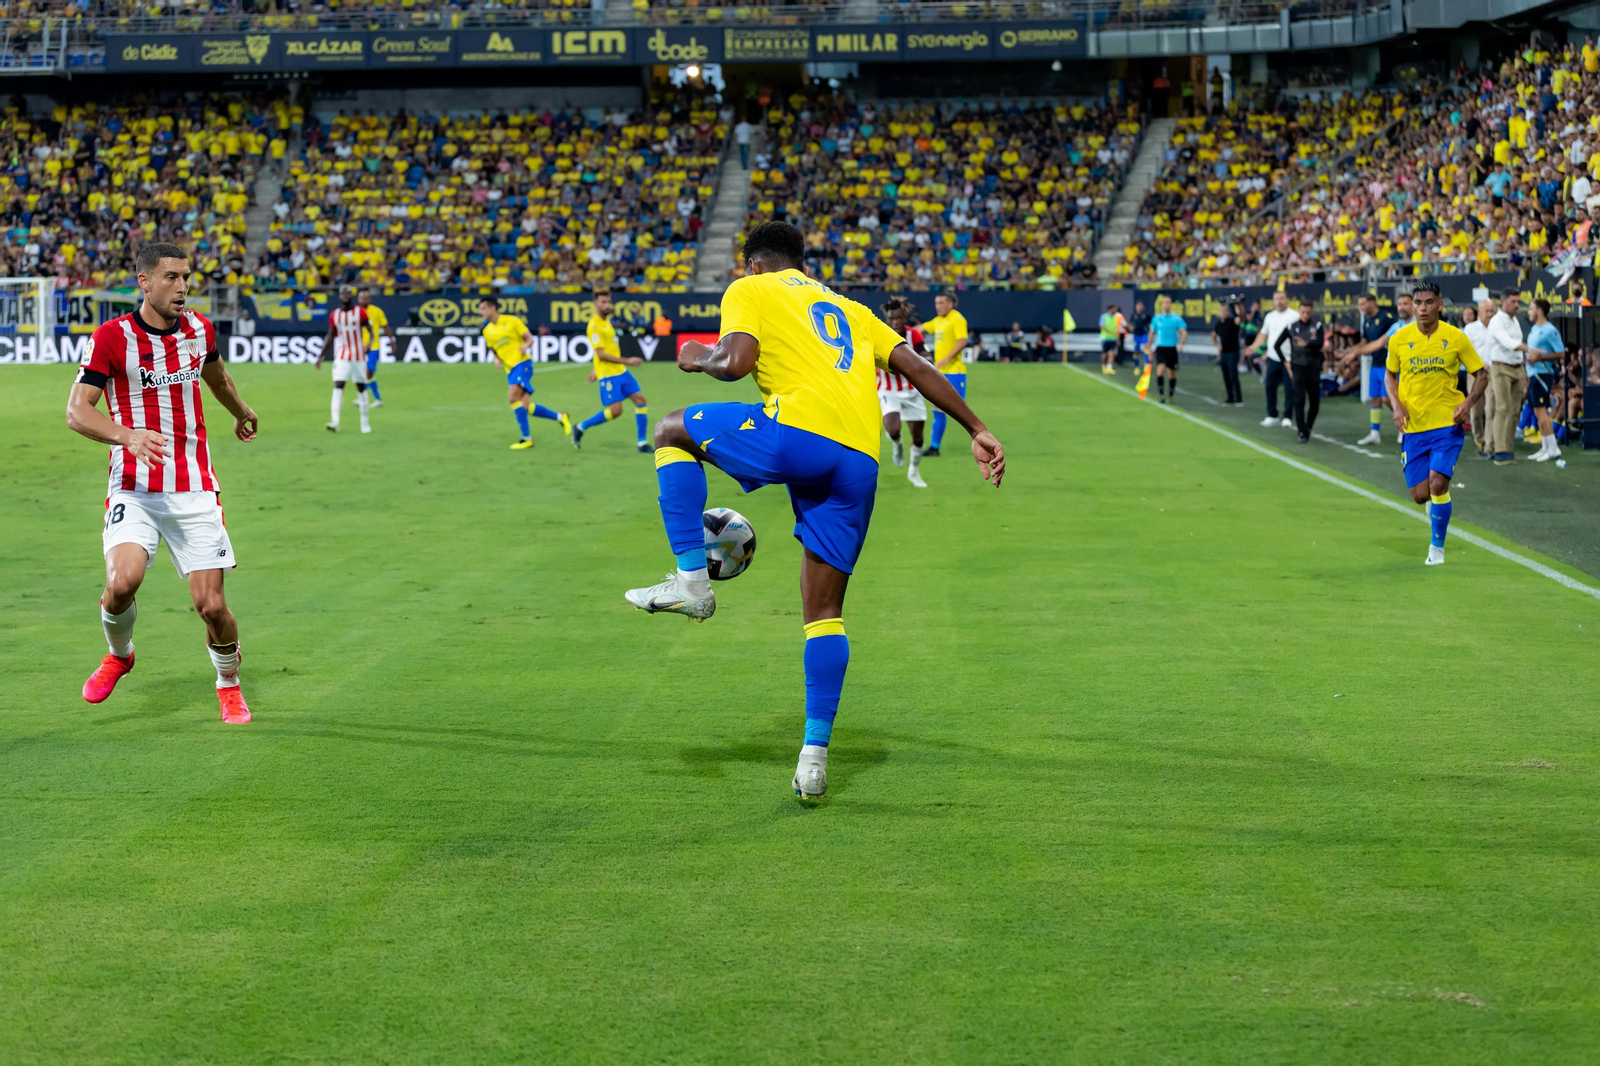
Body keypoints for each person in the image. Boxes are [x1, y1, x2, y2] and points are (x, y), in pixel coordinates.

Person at [623, 222, 1005, 801]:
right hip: (859, 461)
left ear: (753, 264)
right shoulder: (850, 307)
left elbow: (734, 361)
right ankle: (813, 758)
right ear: (803, 262)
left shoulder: (750, 289)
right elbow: (920, 369)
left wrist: (697, 355)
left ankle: (692, 581)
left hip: (797, 435)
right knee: (823, 612)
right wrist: (977, 429)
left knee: (671, 431)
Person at [66, 242, 260, 723]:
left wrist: (242, 411)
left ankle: (228, 683)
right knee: (121, 583)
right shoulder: (112, 338)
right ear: (145, 282)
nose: (182, 287)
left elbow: (216, 378)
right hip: (133, 486)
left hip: (193, 486)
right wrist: (125, 436)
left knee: (211, 607)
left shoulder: (198, 329)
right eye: (171, 277)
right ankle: (120, 655)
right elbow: (77, 411)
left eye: (186, 277)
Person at [1385, 281, 1488, 567]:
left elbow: (1481, 375)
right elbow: (1390, 375)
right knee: (1420, 495)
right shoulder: (1399, 339)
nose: (1422, 308)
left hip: (1446, 423)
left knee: (1438, 483)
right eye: (1418, 303)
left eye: (1429, 302)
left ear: (1440, 305)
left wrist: (1467, 403)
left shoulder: (1456, 338)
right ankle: (1437, 510)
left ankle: (1437, 547)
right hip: (1413, 426)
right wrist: (1397, 405)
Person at [479, 297, 570, 450]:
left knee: (512, 397)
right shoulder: (487, 331)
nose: (481, 312)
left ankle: (526, 438)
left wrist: (525, 346)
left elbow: (530, 339)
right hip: (510, 369)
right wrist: (496, 359)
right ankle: (560, 417)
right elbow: (494, 350)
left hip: (522, 364)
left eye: (483, 308)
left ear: (492, 307)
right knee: (525, 407)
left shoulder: (512, 321)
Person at [572, 290, 649, 453]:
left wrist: (594, 369)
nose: (607, 305)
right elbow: (601, 354)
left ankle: (642, 443)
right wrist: (627, 360)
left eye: (608, 301)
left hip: (620, 371)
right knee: (616, 411)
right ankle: (580, 427)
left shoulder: (607, 321)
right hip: (608, 374)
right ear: (595, 303)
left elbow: (602, 350)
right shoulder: (594, 326)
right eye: (603, 302)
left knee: (640, 400)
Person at [877, 298, 931, 488]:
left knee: (918, 438)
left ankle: (914, 472)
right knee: (893, 430)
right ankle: (897, 443)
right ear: (887, 319)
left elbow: (926, 354)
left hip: (911, 390)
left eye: (899, 318)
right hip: (887, 389)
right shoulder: (879, 333)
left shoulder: (913, 334)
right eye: (892, 319)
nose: (895, 323)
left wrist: (925, 358)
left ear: (904, 317)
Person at [1482, 287, 1529, 465]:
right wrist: (1527, 349)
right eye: (1513, 302)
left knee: (1515, 410)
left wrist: (1524, 363)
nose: (1517, 305)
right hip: (1501, 367)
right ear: (1503, 302)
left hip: (1517, 367)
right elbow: (1508, 342)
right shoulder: (1496, 321)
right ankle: (1500, 449)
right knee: (1502, 408)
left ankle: (1508, 448)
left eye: (1518, 302)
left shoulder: (1514, 320)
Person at [316, 286, 371, 434]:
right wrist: (321, 355)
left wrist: (369, 345)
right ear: (339, 296)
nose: (345, 296)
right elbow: (331, 335)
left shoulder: (360, 312)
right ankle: (335, 422)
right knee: (338, 385)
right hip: (342, 354)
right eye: (342, 293)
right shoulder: (335, 315)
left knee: (361, 387)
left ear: (351, 295)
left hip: (358, 354)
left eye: (347, 293)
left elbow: (371, 332)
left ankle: (364, 422)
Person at [1348, 291, 1401, 446]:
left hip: (1387, 365)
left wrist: (1354, 353)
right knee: (1375, 399)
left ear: (1373, 302)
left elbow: (1382, 342)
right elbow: (1365, 342)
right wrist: (1348, 352)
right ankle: (1374, 433)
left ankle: (1404, 425)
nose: (1361, 307)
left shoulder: (1387, 319)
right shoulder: (1366, 320)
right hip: (1374, 364)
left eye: (1363, 304)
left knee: (1387, 399)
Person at [923, 291, 969, 457]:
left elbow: (963, 340)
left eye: (941, 303)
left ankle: (981, 439)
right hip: (940, 373)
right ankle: (934, 447)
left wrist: (947, 357)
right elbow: (920, 328)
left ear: (950, 303)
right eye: (936, 303)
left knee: (960, 413)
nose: (938, 306)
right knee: (937, 409)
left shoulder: (957, 319)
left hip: (954, 372)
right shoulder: (938, 321)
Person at [1244, 290, 1300, 428]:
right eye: (1276, 299)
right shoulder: (1269, 316)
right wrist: (1253, 347)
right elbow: (1263, 335)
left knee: (1289, 388)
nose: (1279, 301)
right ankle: (1272, 415)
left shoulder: (1295, 316)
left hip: (1289, 358)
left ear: (1287, 300)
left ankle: (1287, 416)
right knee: (1270, 386)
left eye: (1281, 298)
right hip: (1273, 357)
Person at [1278, 299, 1327, 443]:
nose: (1306, 315)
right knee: (1299, 400)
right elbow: (1276, 345)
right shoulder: (1292, 327)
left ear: (1311, 312)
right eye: (1303, 312)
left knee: (1314, 402)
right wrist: (1285, 361)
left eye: (1308, 312)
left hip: (1313, 367)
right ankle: (1301, 432)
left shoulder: (1317, 325)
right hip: (1298, 367)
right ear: (1299, 310)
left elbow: (1319, 343)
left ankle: (1308, 427)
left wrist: (1307, 344)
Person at [1525, 297, 1565, 462]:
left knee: (1542, 412)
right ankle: (1545, 447)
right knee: (1537, 411)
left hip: (1543, 374)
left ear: (1539, 311)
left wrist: (1539, 359)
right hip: (1533, 374)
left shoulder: (1550, 330)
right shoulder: (1534, 329)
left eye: (1531, 308)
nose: (1529, 311)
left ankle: (1553, 448)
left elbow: (1561, 353)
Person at [1463, 298, 1496, 458]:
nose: (1490, 314)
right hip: (1475, 374)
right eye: (1487, 311)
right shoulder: (1470, 329)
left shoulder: (1497, 327)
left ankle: (1490, 446)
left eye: (1492, 311)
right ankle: (1480, 440)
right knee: (1475, 411)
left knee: (1491, 409)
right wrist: (1479, 363)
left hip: (1493, 373)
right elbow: (1467, 350)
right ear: (1480, 312)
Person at [1144, 295, 1187, 404]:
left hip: (1171, 347)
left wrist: (1182, 343)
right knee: (1160, 370)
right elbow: (1152, 332)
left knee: (1172, 373)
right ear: (1162, 305)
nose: (1166, 304)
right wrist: (1149, 344)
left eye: (1168, 302)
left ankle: (1171, 395)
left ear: (1171, 304)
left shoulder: (1176, 318)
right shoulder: (1157, 318)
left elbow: (1183, 331)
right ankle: (1161, 394)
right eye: (1164, 302)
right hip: (1161, 347)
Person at [357, 288, 395, 409]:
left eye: (366, 298)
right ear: (358, 299)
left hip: (373, 347)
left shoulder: (377, 311)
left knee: (368, 372)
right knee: (362, 373)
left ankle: (376, 399)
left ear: (370, 299)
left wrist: (392, 341)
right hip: (359, 347)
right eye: (361, 298)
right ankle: (365, 398)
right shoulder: (355, 312)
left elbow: (386, 326)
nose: (363, 300)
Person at [1211, 298, 1243, 405]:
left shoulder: (1232, 322)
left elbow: (1239, 318)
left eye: (1224, 311)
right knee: (1225, 375)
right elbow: (1214, 336)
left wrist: (1237, 305)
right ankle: (1230, 397)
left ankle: (1238, 398)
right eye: (1221, 311)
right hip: (1224, 353)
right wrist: (1217, 345)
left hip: (1233, 352)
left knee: (1233, 375)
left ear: (1228, 312)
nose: (1222, 313)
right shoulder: (1218, 324)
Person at [1097, 305, 1119, 374]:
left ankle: (1109, 368)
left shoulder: (1116, 317)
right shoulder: (1104, 316)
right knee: (1104, 354)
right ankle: (1103, 366)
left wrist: (1117, 338)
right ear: (1110, 309)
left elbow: (1117, 328)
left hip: (1113, 339)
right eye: (1114, 308)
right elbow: (1102, 327)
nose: (1115, 310)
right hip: (1105, 338)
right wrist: (1110, 332)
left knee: (1112, 353)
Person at [1129, 299, 1151, 370]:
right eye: (1138, 306)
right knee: (1136, 351)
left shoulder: (1146, 316)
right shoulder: (1133, 315)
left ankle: (1147, 366)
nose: (1139, 307)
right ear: (1136, 307)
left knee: (1146, 349)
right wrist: (1131, 327)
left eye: (1141, 306)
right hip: (1136, 335)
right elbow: (1129, 323)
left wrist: (1150, 331)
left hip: (1144, 334)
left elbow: (1150, 324)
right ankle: (1136, 366)